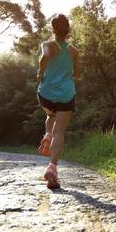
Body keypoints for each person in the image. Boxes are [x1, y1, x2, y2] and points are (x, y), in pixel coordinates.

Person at [36, 14, 81, 189]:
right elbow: (77, 75)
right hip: (66, 95)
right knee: (59, 132)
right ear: (67, 31)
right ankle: (52, 167)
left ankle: (47, 135)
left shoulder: (47, 46)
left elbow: (43, 61)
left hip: (46, 93)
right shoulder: (74, 51)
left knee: (50, 115)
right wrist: (66, 72)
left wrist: (40, 74)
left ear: (53, 29)